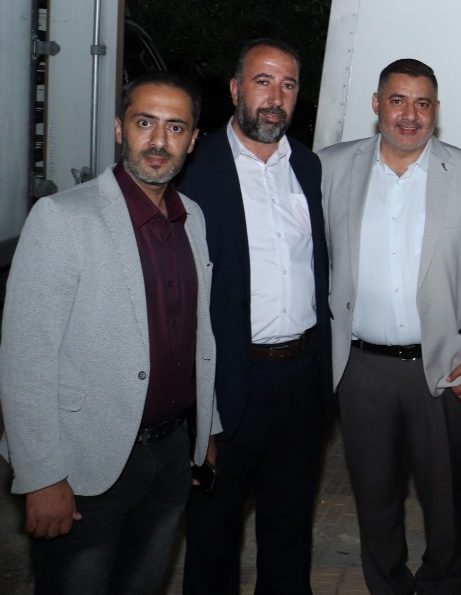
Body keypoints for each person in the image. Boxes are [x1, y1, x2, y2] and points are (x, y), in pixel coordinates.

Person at [0, 73, 218, 594]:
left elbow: (199, 338)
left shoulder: (193, 219)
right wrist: (42, 476)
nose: (159, 141)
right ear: (120, 129)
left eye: (175, 127)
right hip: (83, 465)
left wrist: (205, 433)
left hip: (170, 456)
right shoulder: (62, 217)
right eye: (145, 123)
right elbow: (26, 360)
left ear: (192, 140)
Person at [319, 58, 461, 595]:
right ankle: (388, 586)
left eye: (422, 103)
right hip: (360, 368)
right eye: (397, 100)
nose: (409, 115)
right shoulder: (329, 167)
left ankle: (441, 584)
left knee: (446, 499)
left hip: (445, 366)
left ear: (436, 111)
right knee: (374, 496)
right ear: (376, 104)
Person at [179, 38, 332, 594]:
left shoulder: (308, 166)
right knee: (213, 530)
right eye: (263, 81)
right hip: (226, 380)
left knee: (289, 524)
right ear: (235, 89)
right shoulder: (194, 167)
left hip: (301, 380)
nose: (275, 97)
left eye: (287, 85)